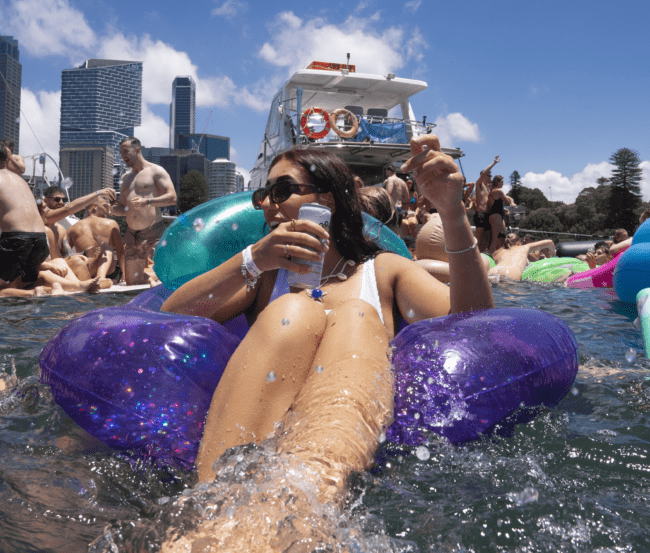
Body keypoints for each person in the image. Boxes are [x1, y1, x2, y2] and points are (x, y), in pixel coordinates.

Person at [161, 135, 494, 484]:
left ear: (327, 200)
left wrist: (451, 210)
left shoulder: (382, 272)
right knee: (294, 312)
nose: (267, 205)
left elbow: (473, 328)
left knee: (356, 316)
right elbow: (169, 321)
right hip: (256, 443)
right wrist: (253, 258)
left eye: (282, 190)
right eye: (263, 195)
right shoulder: (263, 277)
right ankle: (222, 501)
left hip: (344, 451)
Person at [111, 137, 177, 285]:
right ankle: (151, 279)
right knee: (132, 282)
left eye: (126, 152)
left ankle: (156, 280)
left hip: (154, 231)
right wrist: (110, 208)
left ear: (137, 150)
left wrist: (147, 201)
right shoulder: (125, 178)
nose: (123, 156)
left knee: (169, 274)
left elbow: (172, 198)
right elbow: (122, 209)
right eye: (121, 153)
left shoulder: (156, 171)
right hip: (132, 234)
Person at [0, 144, 49, 292]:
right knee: (20, 285)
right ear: (7, 159)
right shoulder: (20, 180)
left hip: (17, 239)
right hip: (40, 239)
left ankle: (34, 294)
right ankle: (36, 293)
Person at [67, 195, 125, 282]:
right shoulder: (111, 223)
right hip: (109, 272)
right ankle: (101, 278)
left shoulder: (73, 228)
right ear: (94, 207)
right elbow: (120, 252)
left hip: (85, 270)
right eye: (105, 206)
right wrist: (124, 273)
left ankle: (99, 279)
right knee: (107, 250)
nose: (107, 209)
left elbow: (65, 254)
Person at [489, 232, 556, 280]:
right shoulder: (524, 247)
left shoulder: (498, 252)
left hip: (492, 272)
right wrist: (552, 254)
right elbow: (550, 242)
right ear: (518, 243)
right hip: (510, 273)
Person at [473, 155, 500, 252]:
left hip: (488, 215)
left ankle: (482, 257)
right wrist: (494, 163)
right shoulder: (479, 185)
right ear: (483, 176)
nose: (491, 177)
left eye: (491, 175)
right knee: (478, 240)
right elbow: (484, 172)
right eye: (489, 175)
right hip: (480, 214)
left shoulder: (488, 189)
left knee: (486, 240)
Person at [487, 175, 514, 255]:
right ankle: (491, 256)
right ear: (497, 182)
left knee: (498, 238)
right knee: (496, 239)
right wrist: (512, 202)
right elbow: (507, 201)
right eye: (502, 182)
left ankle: (496, 254)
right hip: (497, 216)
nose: (503, 183)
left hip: (494, 216)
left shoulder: (491, 193)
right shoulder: (498, 191)